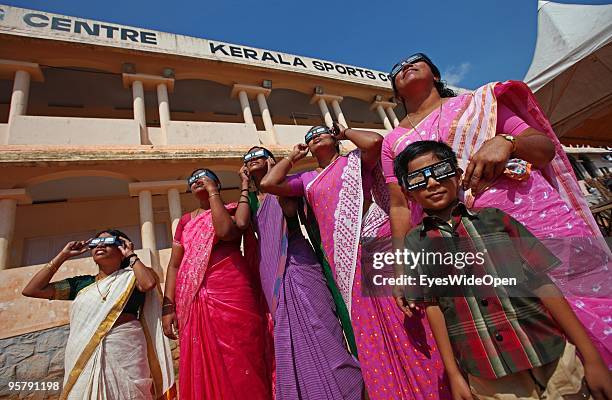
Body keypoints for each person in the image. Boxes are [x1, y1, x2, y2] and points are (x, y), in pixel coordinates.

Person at [382, 53, 612, 366]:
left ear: (436, 75)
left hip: (532, 212)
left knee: (590, 302)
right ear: (396, 93)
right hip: (467, 243)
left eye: (415, 60)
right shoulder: (393, 142)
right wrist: (400, 268)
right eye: (397, 68)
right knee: (518, 331)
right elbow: (399, 206)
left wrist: (508, 142)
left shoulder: (478, 105)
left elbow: (543, 149)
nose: (406, 65)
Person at [393, 140, 612, 400]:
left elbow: (543, 284)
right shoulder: (415, 243)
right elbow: (434, 307)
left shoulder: (495, 219)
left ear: (458, 174)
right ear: (407, 192)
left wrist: (590, 356)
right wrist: (454, 374)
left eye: (440, 171)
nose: (431, 183)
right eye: (418, 179)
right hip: (490, 377)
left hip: (551, 356)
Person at [261, 125, 450, 400]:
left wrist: (344, 132)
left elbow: (375, 142)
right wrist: (292, 157)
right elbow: (269, 183)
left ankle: (435, 388)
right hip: (346, 262)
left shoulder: (354, 162)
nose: (315, 136)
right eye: (309, 137)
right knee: (371, 331)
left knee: (406, 317)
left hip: (376, 242)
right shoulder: (307, 180)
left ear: (335, 139)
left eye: (321, 132)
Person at [241, 146, 363, 399]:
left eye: (257, 156)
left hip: (297, 262)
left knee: (321, 324)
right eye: (248, 159)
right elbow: (243, 225)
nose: (252, 160)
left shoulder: (284, 187)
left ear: (270, 160)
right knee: (288, 333)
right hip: (270, 269)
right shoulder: (251, 202)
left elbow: (286, 210)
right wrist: (244, 184)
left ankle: (344, 387)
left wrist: (286, 163)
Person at [22, 230, 175, 400]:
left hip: (125, 349)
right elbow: (32, 290)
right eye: (95, 243)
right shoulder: (82, 284)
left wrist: (131, 255)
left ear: (121, 248)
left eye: (108, 241)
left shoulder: (133, 276)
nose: (100, 245)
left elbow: (149, 283)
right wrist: (62, 256)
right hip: (83, 354)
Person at [162, 168, 272, 400]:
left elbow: (226, 231)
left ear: (217, 183)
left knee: (242, 353)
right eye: (192, 179)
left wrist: (213, 194)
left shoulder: (232, 208)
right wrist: (167, 306)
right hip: (193, 298)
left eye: (204, 177)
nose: (197, 180)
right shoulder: (185, 222)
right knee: (201, 358)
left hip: (231, 289)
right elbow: (174, 265)